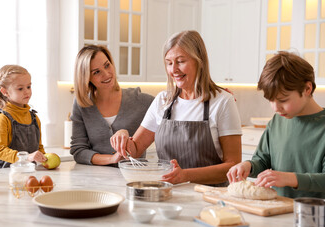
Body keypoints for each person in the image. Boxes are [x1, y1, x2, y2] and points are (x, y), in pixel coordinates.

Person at [111, 30, 242, 185]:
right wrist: (123, 135)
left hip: (209, 197)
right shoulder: (162, 101)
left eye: (180, 61)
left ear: (199, 61)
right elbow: (135, 150)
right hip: (167, 193)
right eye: (169, 63)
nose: (174, 70)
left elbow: (233, 166)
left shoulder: (222, 102)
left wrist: (186, 175)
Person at [227, 51, 325, 199]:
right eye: (270, 100)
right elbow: (262, 159)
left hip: (314, 216)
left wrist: (290, 178)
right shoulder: (276, 121)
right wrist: (248, 166)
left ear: (307, 89)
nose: (275, 108)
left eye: (283, 100)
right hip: (277, 210)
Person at [70, 45, 154, 166]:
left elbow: (170, 117)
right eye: (97, 72)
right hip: (97, 179)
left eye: (107, 65)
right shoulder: (81, 105)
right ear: (86, 78)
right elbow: (78, 151)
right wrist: (112, 159)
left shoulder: (141, 101)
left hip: (134, 176)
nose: (107, 74)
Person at [0, 65, 47, 168]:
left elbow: (39, 148)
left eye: (28, 87)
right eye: (20, 88)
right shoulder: (3, 118)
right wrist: (26, 157)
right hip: (6, 175)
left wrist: (45, 159)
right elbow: (0, 151)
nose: (27, 91)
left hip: (28, 172)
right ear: (5, 92)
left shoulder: (34, 118)